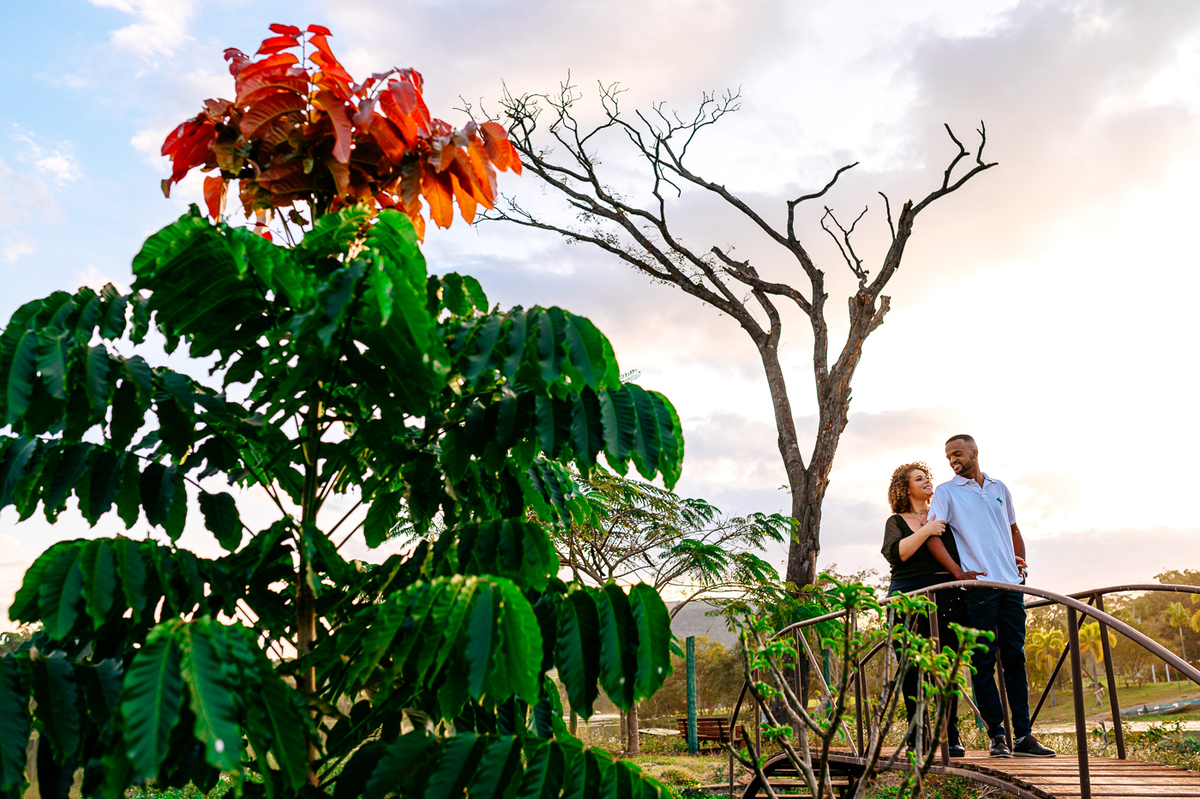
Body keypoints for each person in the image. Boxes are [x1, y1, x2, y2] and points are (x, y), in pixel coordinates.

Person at [928, 434, 1056, 759]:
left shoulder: (1000, 488)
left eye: (957, 454)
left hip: (1012, 587)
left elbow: (1013, 529)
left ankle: (1024, 736)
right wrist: (959, 574)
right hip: (979, 590)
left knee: (1015, 658)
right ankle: (997, 736)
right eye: (948, 457)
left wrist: (1021, 566)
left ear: (974, 452)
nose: (953, 460)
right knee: (983, 662)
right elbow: (933, 537)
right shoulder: (946, 492)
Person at [881, 461, 981, 758]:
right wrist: (926, 531)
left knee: (948, 667)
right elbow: (898, 555)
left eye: (927, 478)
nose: (927, 482)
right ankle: (917, 736)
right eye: (919, 478)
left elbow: (970, 546)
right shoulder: (896, 521)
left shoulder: (945, 517)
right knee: (911, 668)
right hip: (907, 598)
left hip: (947, 597)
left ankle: (951, 735)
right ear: (905, 487)